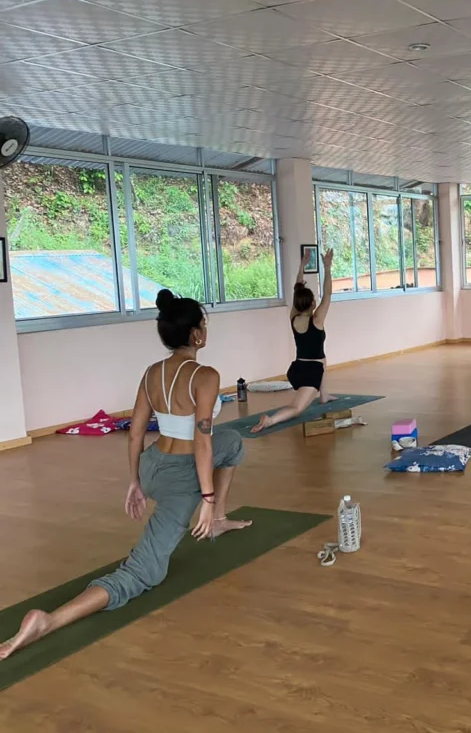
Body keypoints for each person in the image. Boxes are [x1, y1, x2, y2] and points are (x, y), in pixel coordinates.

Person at [0, 290, 248, 662]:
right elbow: (202, 444)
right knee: (144, 571)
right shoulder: (206, 376)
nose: (205, 331)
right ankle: (48, 622)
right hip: (181, 478)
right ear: (197, 335)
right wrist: (207, 501)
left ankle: (219, 522)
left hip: (151, 466)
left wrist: (135, 482)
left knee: (235, 442)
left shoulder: (152, 373)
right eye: (204, 325)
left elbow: (135, 433)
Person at [252, 247, 336, 433]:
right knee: (297, 409)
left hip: (296, 369)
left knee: (321, 356)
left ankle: (324, 395)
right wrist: (327, 267)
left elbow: (297, 290)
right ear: (313, 303)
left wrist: (302, 266)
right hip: (311, 372)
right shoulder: (317, 320)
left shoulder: (294, 318)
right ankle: (270, 421)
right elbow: (328, 294)